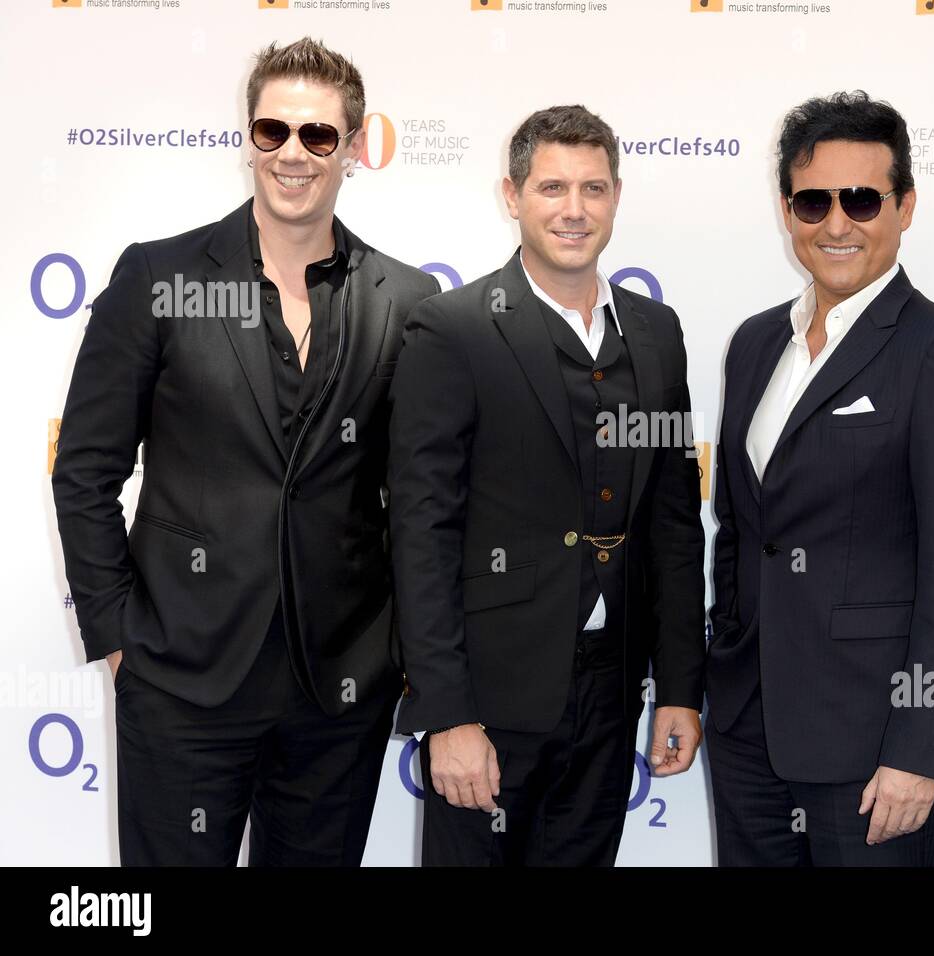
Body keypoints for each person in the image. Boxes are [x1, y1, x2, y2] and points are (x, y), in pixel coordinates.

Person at [51, 38, 439, 865]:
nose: (292, 154)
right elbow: (86, 471)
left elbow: (418, 500)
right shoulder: (160, 276)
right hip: (181, 679)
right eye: (273, 131)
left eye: (318, 136)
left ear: (354, 149)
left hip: (340, 690)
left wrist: (402, 653)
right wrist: (120, 637)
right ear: (248, 138)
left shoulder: (407, 299)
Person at [388, 105, 706, 866]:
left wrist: (681, 687)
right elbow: (420, 533)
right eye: (552, 187)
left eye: (593, 189)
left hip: (610, 691)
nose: (574, 210)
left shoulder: (657, 334)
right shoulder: (452, 330)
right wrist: (448, 715)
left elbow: (672, 523)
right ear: (512, 195)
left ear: (617, 198)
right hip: (489, 705)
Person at [706, 91, 934, 866]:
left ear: (905, 206)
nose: (836, 224)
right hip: (749, 732)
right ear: (786, 211)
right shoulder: (752, 344)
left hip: (874, 749)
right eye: (814, 201)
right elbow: (743, 533)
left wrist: (920, 749)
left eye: (863, 199)